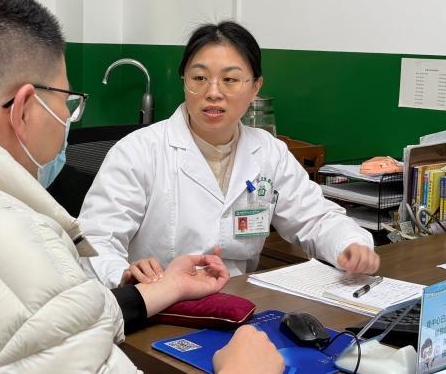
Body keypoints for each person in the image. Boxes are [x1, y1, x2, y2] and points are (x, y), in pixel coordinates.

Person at [0, 0, 283, 373]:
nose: (214, 92)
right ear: (24, 109)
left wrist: (165, 288)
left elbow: (48, 325)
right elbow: (44, 311)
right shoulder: (22, 248)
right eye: (68, 101)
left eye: (231, 80)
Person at [79, 21, 380, 288]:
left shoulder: (269, 152)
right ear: (184, 81)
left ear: (255, 88)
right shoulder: (138, 151)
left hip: (238, 303)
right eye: (199, 78)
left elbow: (314, 218)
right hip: (160, 305)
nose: (213, 92)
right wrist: (123, 277)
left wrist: (349, 245)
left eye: (230, 80)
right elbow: (95, 241)